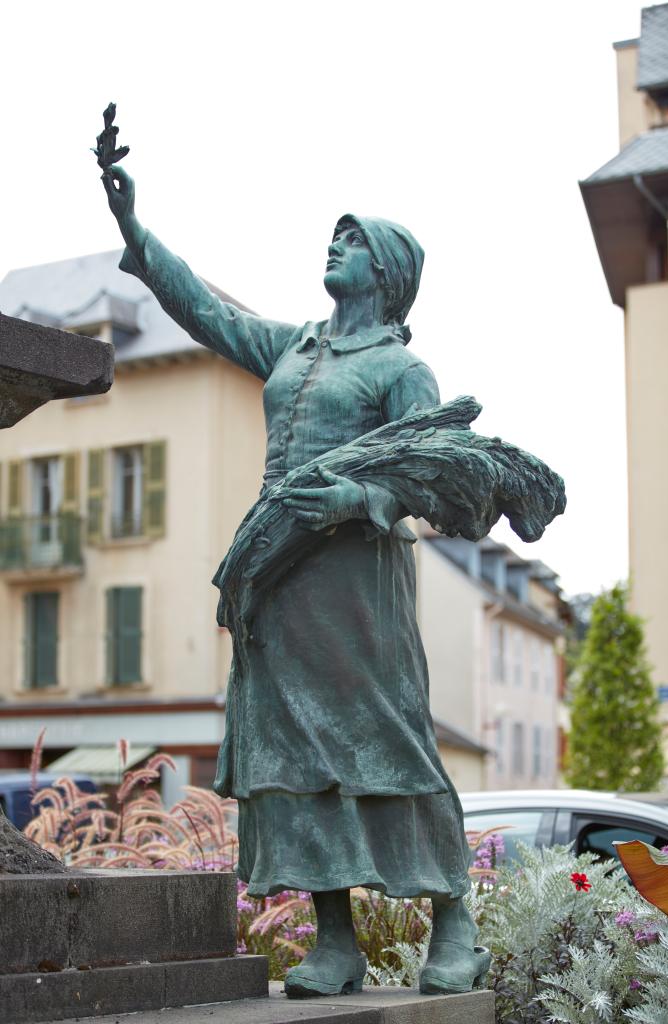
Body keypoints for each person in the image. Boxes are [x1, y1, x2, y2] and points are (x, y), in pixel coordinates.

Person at [101, 164, 491, 998]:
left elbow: (436, 479)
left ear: (385, 273)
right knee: (291, 755)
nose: (334, 243)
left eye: (352, 240)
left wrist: (361, 497)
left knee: (388, 743)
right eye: (334, 234)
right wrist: (137, 232)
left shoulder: (397, 370)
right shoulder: (295, 346)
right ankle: (336, 941)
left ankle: (455, 924)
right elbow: (207, 314)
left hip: (356, 581)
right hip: (277, 579)